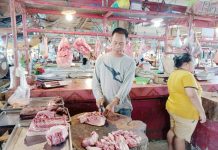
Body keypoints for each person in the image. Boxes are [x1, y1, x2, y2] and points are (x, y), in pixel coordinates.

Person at [166, 53, 206, 150]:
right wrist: (202, 112)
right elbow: (192, 95)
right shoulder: (187, 75)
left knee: (173, 131)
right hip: (185, 113)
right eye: (193, 62)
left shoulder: (174, 73)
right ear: (186, 64)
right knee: (180, 138)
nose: (194, 65)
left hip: (172, 108)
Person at [92, 27, 136, 117]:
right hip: (105, 107)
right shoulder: (101, 59)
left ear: (126, 43)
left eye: (121, 43)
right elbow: (95, 82)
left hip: (123, 108)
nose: (118, 46)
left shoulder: (130, 62)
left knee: (125, 131)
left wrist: (114, 102)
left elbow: (126, 85)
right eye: (115, 42)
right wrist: (99, 97)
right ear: (110, 41)